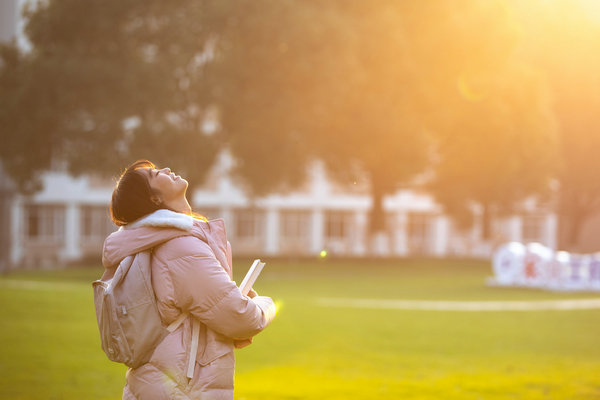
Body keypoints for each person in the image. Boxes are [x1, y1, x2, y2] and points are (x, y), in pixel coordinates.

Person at [102, 160, 276, 400]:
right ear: (154, 199)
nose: (164, 169)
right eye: (154, 175)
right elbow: (240, 317)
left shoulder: (159, 242)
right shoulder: (180, 247)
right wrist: (265, 305)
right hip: (182, 390)